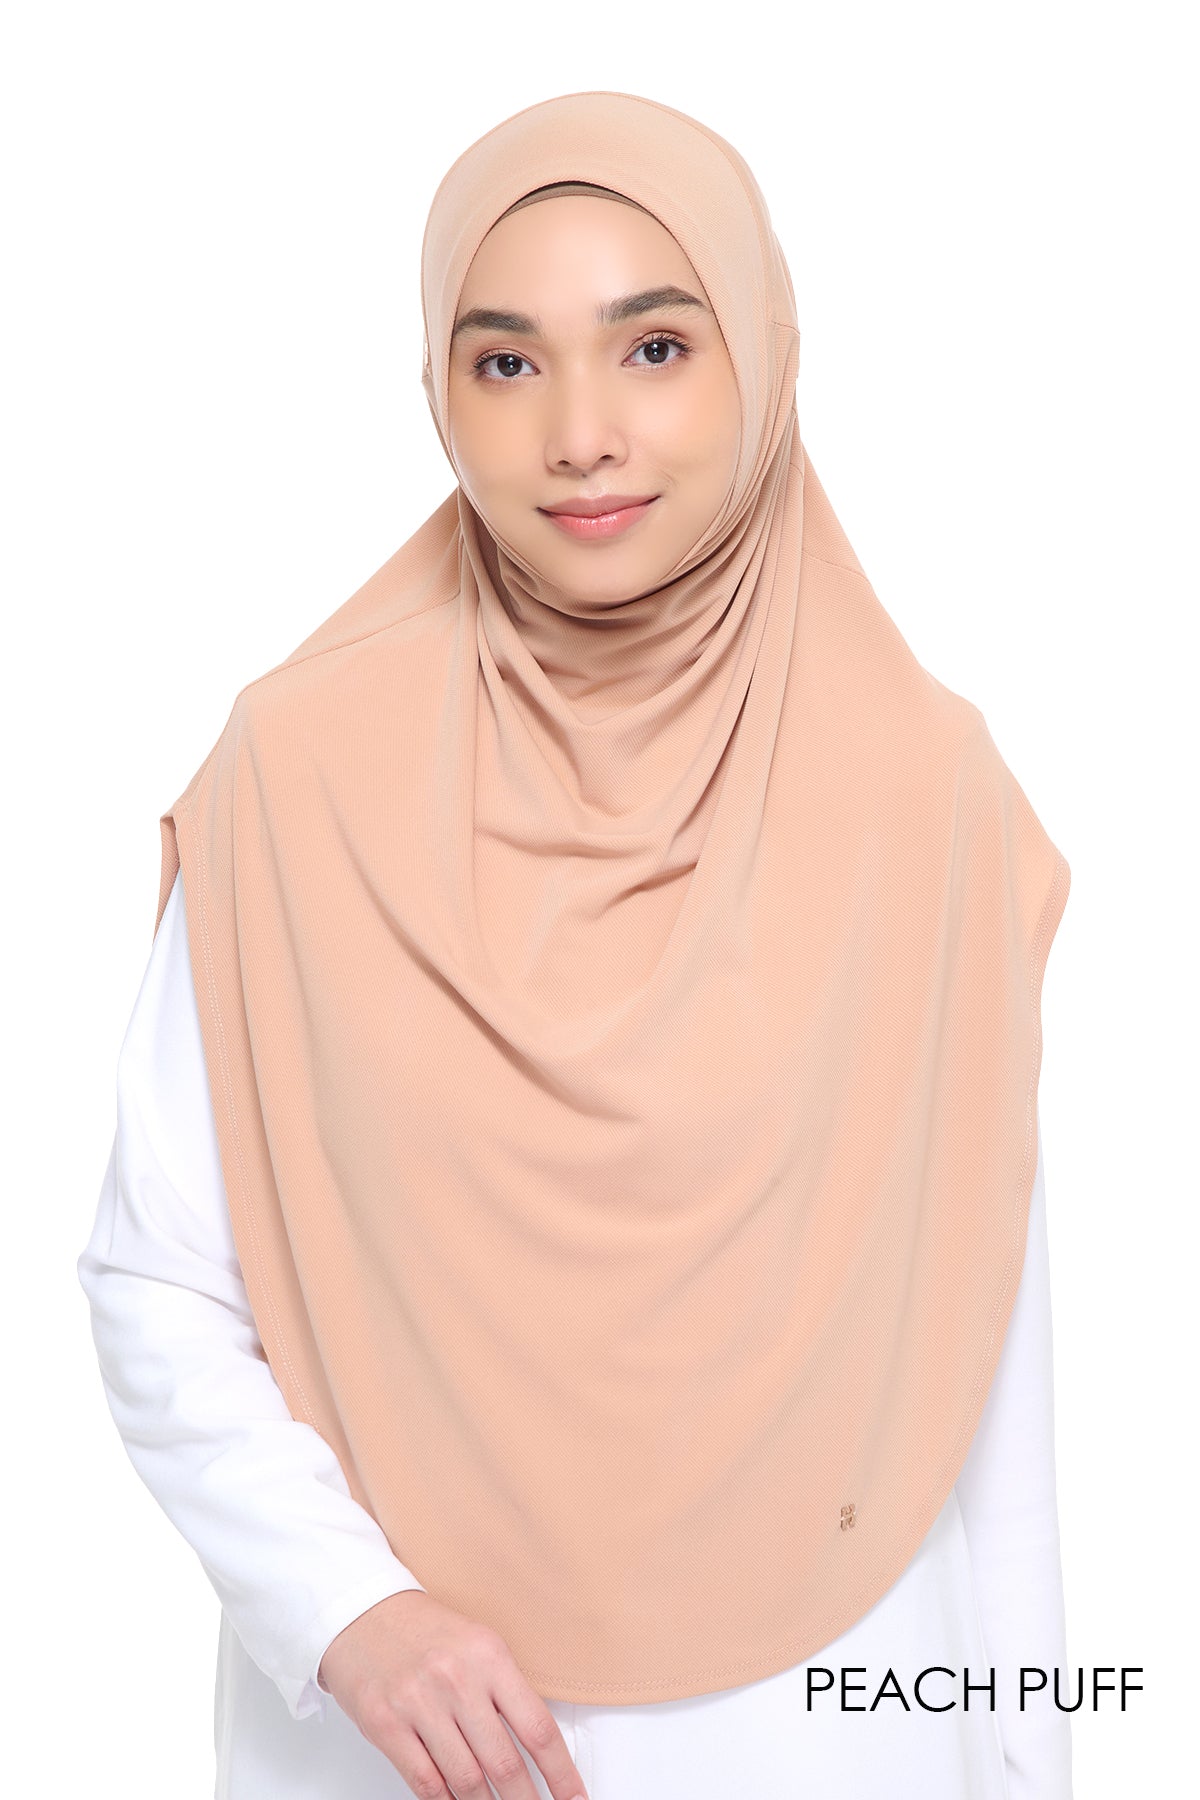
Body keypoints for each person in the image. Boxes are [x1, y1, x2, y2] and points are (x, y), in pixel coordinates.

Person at [78, 90, 1073, 1800]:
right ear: (437, 394)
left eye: (655, 349)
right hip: (411, 1742)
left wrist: (1028, 1760)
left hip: (829, 1729)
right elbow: (158, 1276)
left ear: (762, 360)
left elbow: (977, 1375)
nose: (582, 436)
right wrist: (347, 1608)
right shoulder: (302, 772)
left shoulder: (924, 794)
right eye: (507, 363)